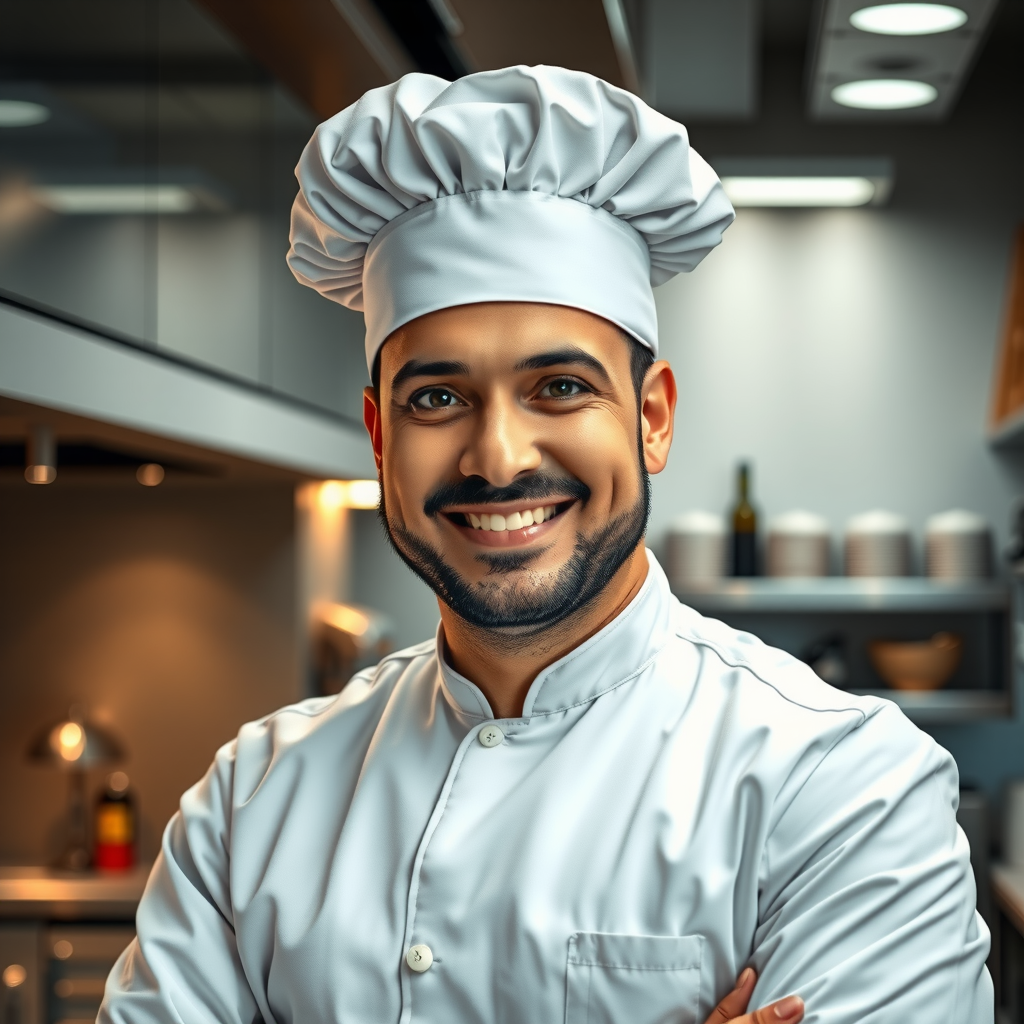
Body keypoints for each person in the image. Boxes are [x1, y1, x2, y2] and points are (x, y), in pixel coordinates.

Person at [99, 66, 992, 1024]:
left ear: (651, 418)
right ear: (378, 437)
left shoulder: (840, 790)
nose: (498, 457)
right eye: (436, 399)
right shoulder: (252, 804)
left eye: (559, 387)